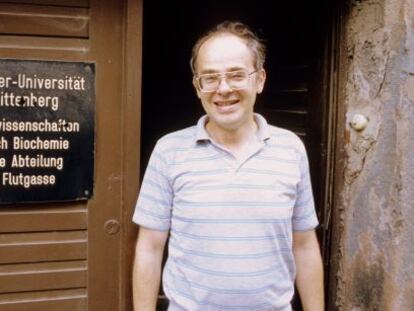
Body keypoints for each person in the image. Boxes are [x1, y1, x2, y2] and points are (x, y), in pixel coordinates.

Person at [132, 21, 324, 311]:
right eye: (209, 78)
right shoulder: (169, 151)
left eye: (236, 75)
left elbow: (305, 245)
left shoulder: (290, 149)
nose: (223, 89)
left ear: (259, 80)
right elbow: (149, 248)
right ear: (198, 87)